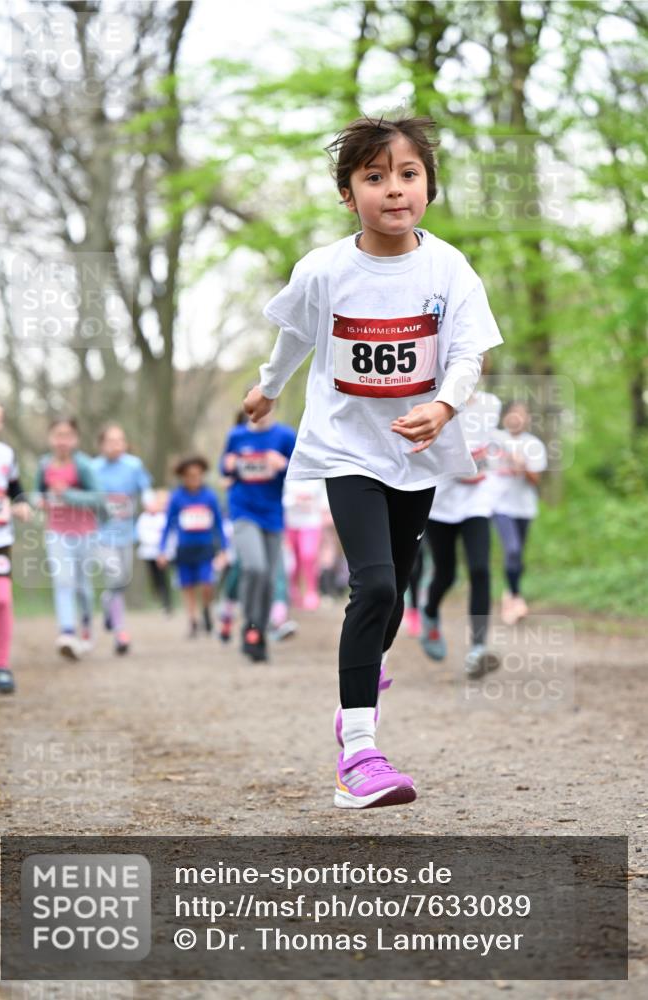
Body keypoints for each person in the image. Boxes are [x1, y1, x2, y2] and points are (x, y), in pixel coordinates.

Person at [244, 114, 503, 809]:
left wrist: (444, 407)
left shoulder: (447, 268)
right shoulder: (325, 270)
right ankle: (358, 753)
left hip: (415, 453)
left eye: (408, 174)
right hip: (345, 448)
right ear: (347, 192)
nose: (393, 189)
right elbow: (294, 336)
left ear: (428, 186)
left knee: (394, 593)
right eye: (374, 176)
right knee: (377, 587)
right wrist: (267, 390)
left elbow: (467, 354)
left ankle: (360, 680)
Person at [421, 387, 503, 676]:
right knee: (447, 573)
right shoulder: (432, 402)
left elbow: (496, 445)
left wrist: (488, 459)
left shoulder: (492, 404)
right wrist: (458, 461)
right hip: (440, 502)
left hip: (477, 501)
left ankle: (478, 647)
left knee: (480, 569)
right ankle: (429, 613)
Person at [220, 409, 296, 662]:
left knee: (269, 578)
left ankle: (257, 632)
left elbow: (301, 469)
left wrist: (283, 464)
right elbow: (225, 468)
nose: (261, 411)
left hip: (272, 514)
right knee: (255, 567)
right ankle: (250, 626)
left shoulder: (284, 436)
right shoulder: (236, 436)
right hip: (243, 511)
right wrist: (228, 466)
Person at [35, 417, 101, 659]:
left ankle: (85, 629)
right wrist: (39, 501)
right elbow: (37, 494)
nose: (62, 440)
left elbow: (98, 498)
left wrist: (69, 494)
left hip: (84, 532)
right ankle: (67, 632)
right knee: (63, 581)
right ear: (50, 438)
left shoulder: (83, 465)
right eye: (57, 435)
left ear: (75, 439)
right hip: (56, 532)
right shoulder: (44, 465)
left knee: (83, 586)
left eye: (67, 435)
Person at [0, 388, 31, 693]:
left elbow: (15, 488)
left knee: (1, 600)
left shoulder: (5, 454)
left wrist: (22, 503)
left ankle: (1, 667)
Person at [93, 424, 152, 655]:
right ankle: (120, 632)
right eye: (111, 441)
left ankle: (108, 604)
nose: (116, 445)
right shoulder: (93, 468)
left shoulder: (133, 465)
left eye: (120, 440)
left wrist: (149, 502)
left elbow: (145, 488)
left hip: (126, 533)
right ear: (101, 445)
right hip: (100, 535)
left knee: (121, 582)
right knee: (115, 574)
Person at [490, 401, 548, 624]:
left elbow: (536, 480)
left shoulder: (534, 445)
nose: (517, 418)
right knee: (512, 550)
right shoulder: (495, 439)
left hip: (524, 507)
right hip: (500, 506)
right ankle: (515, 597)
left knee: (517, 556)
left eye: (522, 415)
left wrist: (522, 465)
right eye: (514, 414)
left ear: (528, 420)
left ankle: (510, 593)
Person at [157, 457, 227, 637]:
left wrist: (224, 549)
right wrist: (162, 550)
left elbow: (218, 524)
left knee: (207, 583)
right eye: (190, 476)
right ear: (183, 477)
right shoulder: (177, 497)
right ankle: (193, 620)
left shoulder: (210, 496)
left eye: (198, 475)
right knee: (187, 585)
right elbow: (168, 525)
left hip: (205, 548)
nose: (194, 479)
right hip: (185, 548)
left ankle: (206, 609)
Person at [283, 478, 327, 610]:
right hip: (291, 524)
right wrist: (295, 500)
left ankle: (311, 592)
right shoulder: (289, 479)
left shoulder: (316, 480)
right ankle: (293, 590)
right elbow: (282, 499)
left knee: (308, 556)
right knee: (293, 560)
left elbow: (324, 503)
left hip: (311, 523)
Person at [136, 489, 175, 614]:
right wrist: (156, 540)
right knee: (154, 578)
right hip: (148, 554)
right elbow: (143, 535)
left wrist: (161, 546)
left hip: (162, 553)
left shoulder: (163, 517)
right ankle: (158, 598)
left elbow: (167, 535)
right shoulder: (143, 518)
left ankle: (167, 603)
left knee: (163, 577)